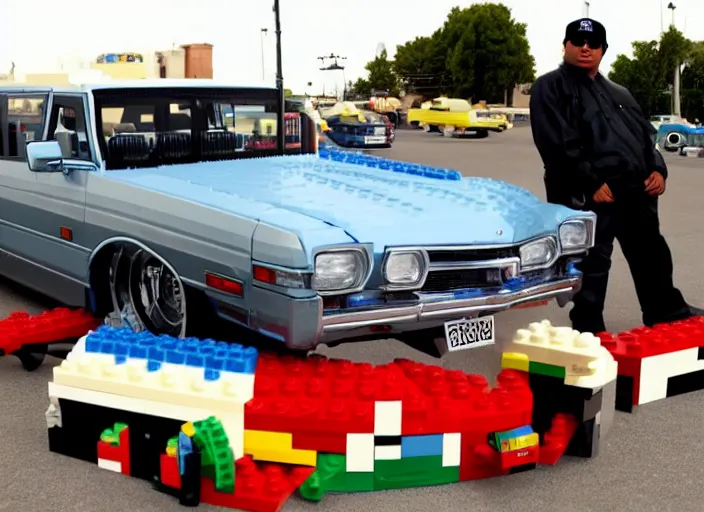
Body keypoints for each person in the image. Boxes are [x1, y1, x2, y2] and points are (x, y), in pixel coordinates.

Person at [529, 17, 702, 334]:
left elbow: (646, 139)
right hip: (590, 193)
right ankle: (588, 326)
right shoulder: (550, 87)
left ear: (603, 50)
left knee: (652, 255)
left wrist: (658, 170)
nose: (585, 48)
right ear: (565, 45)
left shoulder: (619, 92)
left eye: (593, 44)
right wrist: (590, 183)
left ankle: (665, 310)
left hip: (636, 192)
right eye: (578, 42)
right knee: (592, 263)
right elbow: (556, 144)